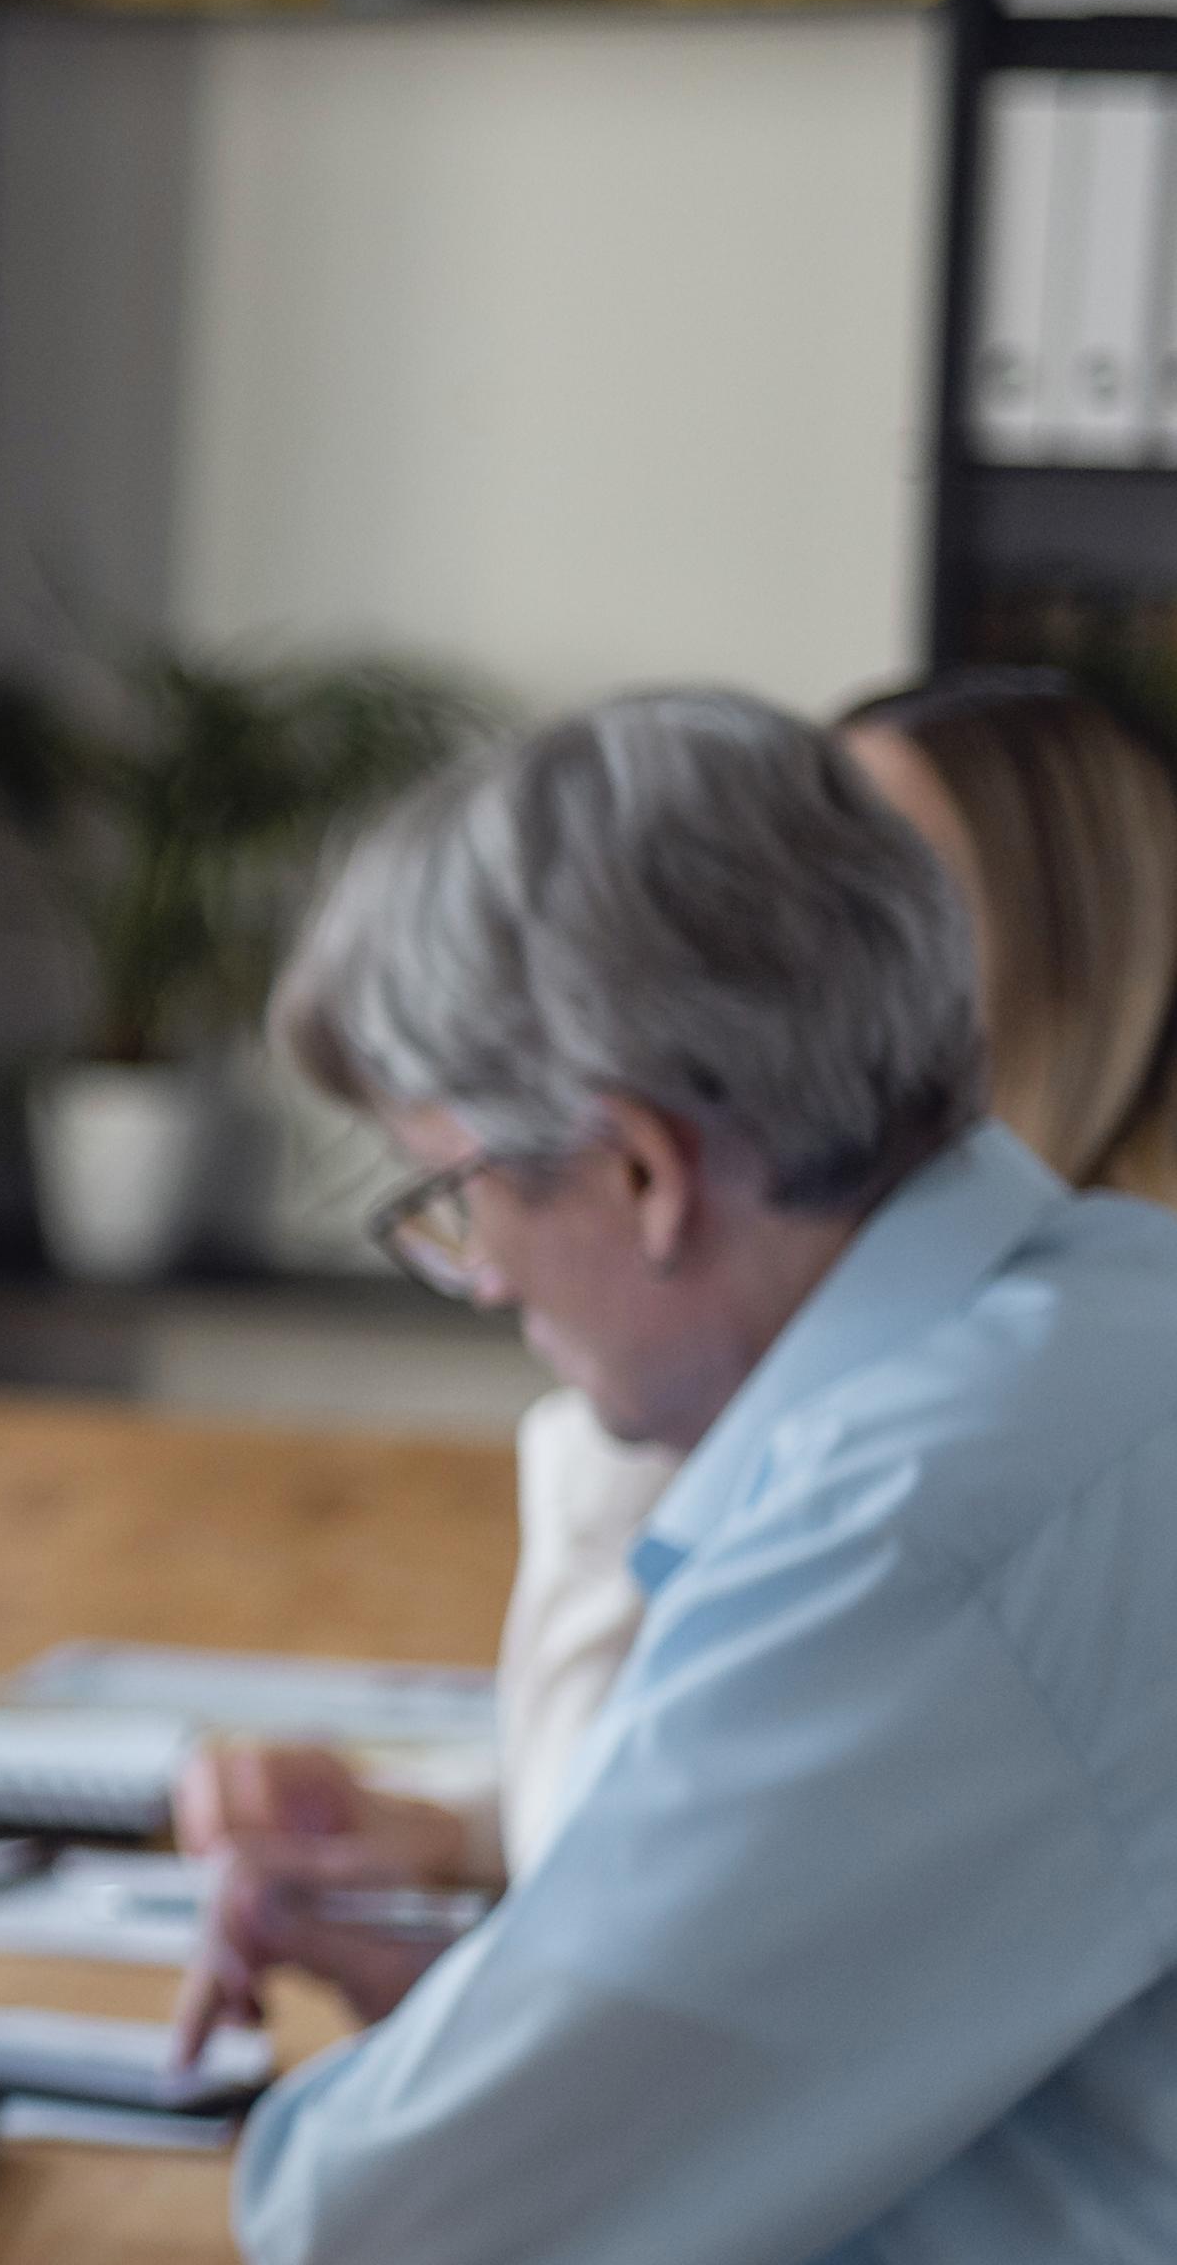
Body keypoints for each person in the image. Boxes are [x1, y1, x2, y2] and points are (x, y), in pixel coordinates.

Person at [83, 689, 1177, 2265]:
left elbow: (394, 2233)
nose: (474, 1278)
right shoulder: (1078, 1340)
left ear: (643, 1172)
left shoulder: (917, 1524)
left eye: (454, 1201)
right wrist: (503, 1999)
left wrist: (448, 2059)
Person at [176, 665, 1177, 1927]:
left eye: (870, 896)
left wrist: (631, 1394)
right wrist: (454, 1838)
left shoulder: (966, 1441)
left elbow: (646, 1933)